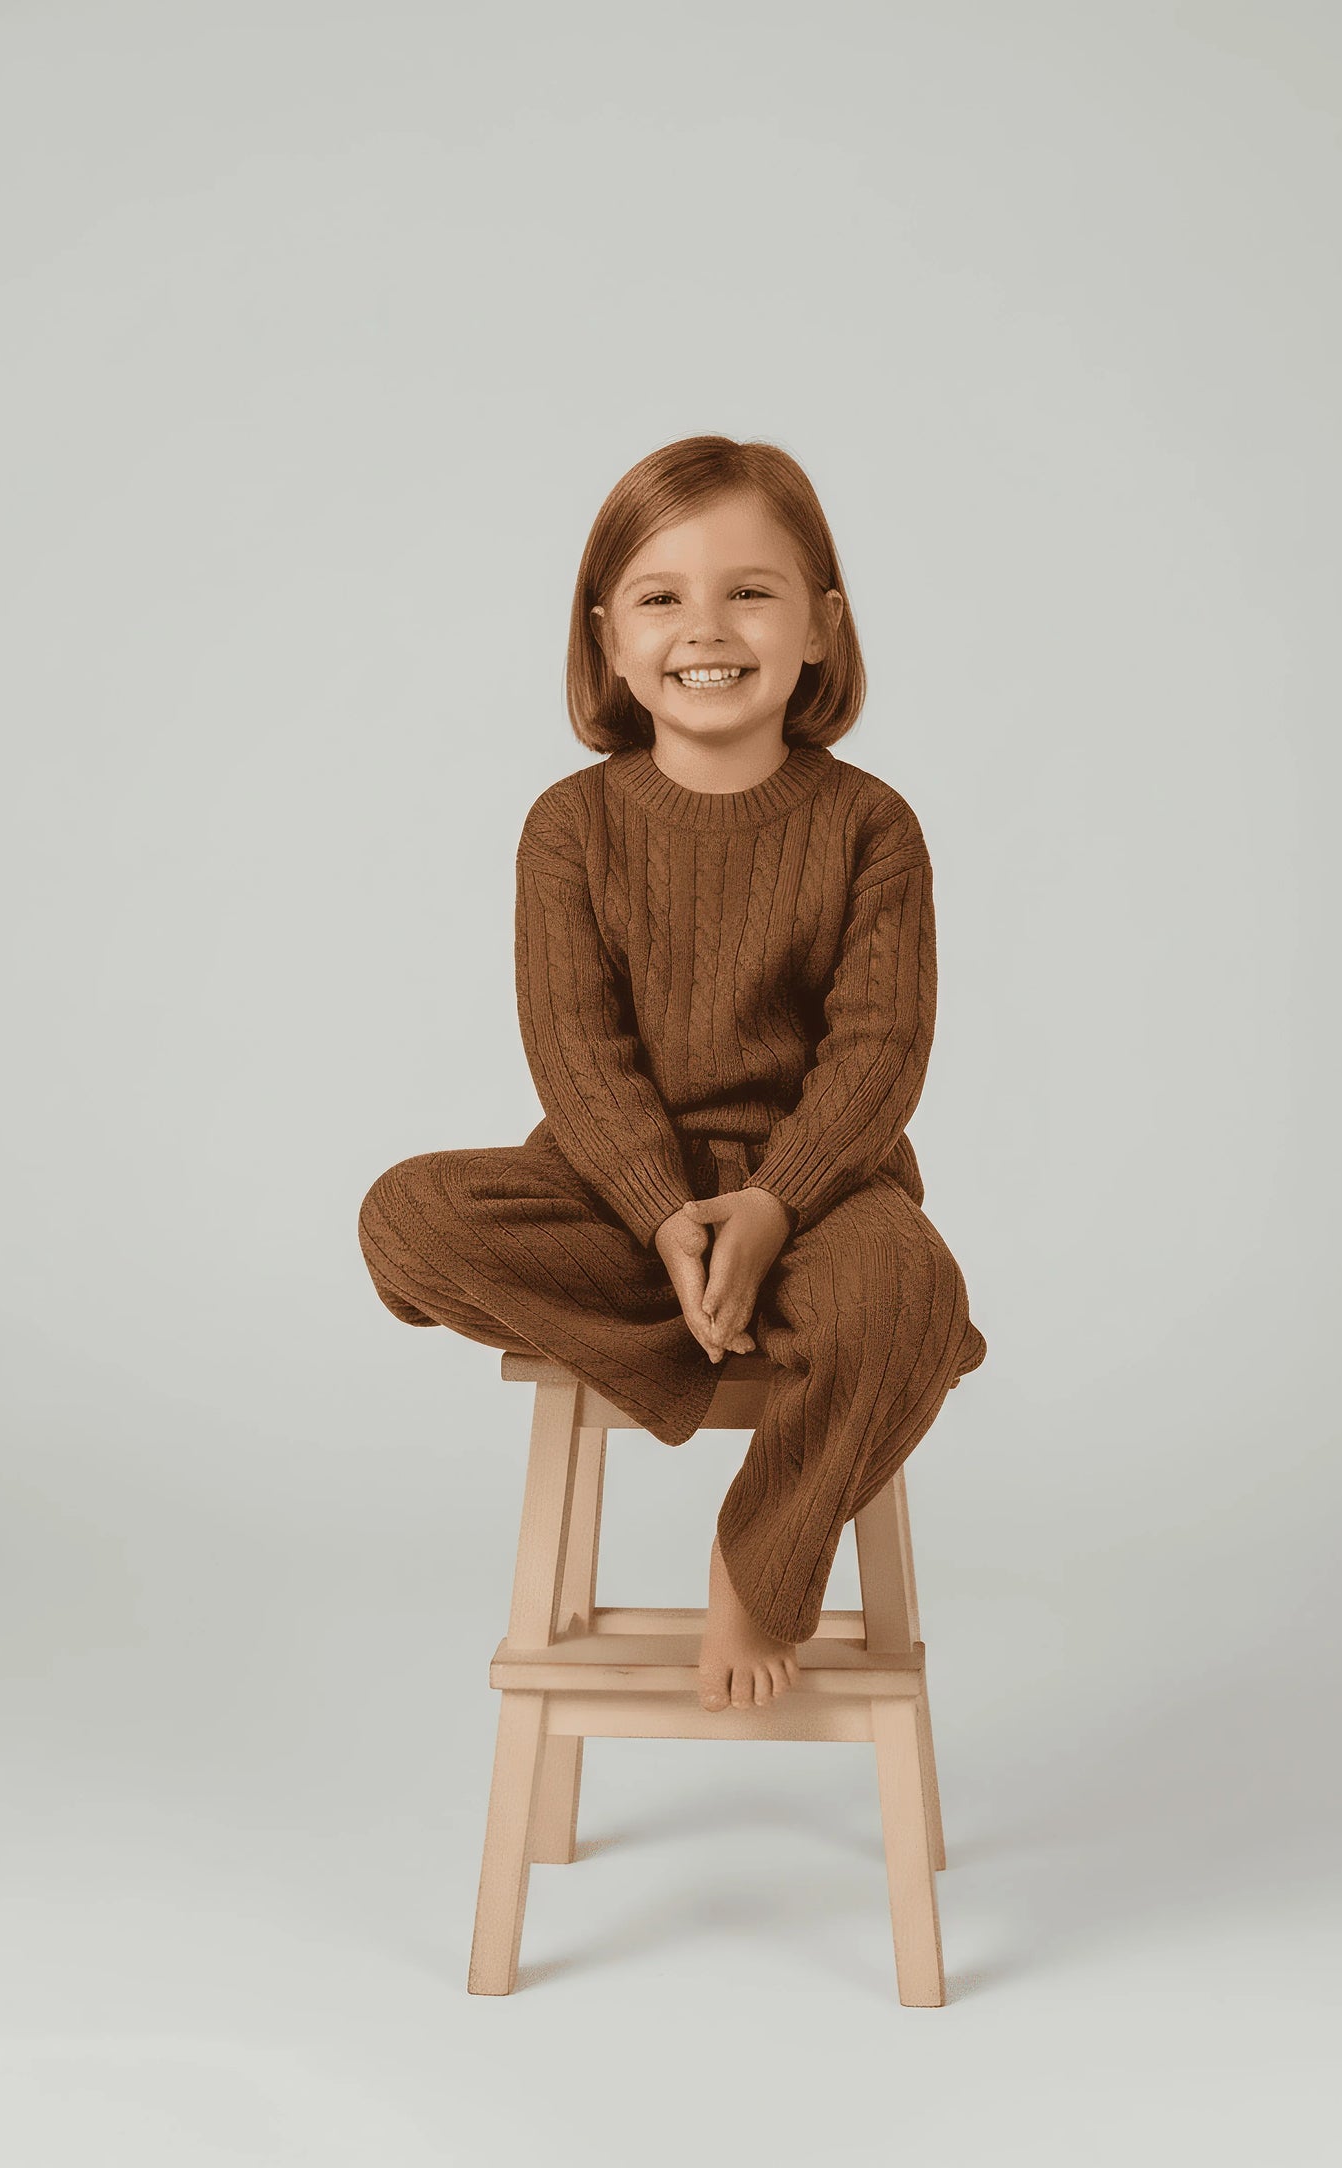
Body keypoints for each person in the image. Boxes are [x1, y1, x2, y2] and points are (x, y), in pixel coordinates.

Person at [357, 433, 987, 1716]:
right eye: (660, 596)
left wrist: (768, 1207)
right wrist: (664, 1214)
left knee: (909, 1290)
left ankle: (761, 1550)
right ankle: (714, 1317)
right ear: (606, 640)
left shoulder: (870, 824)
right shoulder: (570, 825)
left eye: (749, 591)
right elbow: (575, 1051)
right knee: (404, 1217)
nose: (706, 626)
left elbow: (878, 1048)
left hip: (816, 1197)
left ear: (820, 626)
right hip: (615, 1194)